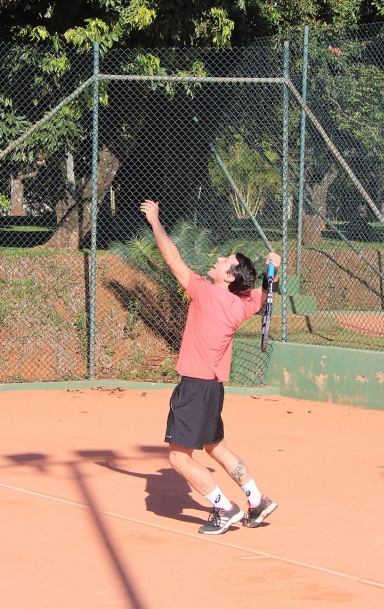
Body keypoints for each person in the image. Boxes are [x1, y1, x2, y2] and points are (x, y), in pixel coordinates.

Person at [140, 199, 281, 536]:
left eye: (225, 262)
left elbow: (172, 259)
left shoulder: (206, 293)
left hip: (194, 388)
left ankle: (224, 508)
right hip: (213, 389)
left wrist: (156, 222)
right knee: (216, 447)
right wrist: (274, 268)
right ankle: (256, 500)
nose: (217, 260)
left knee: (177, 458)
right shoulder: (242, 305)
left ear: (228, 278)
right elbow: (264, 292)